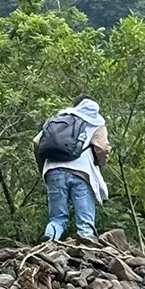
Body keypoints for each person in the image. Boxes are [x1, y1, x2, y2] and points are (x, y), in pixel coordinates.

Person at [34, 97, 111, 239]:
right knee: (85, 221)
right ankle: (87, 248)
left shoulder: (58, 118)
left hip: (53, 170)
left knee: (57, 218)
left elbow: (36, 143)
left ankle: (49, 239)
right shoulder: (96, 122)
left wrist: (44, 169)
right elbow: (101, 148)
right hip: (82, 173)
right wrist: (100, 165)